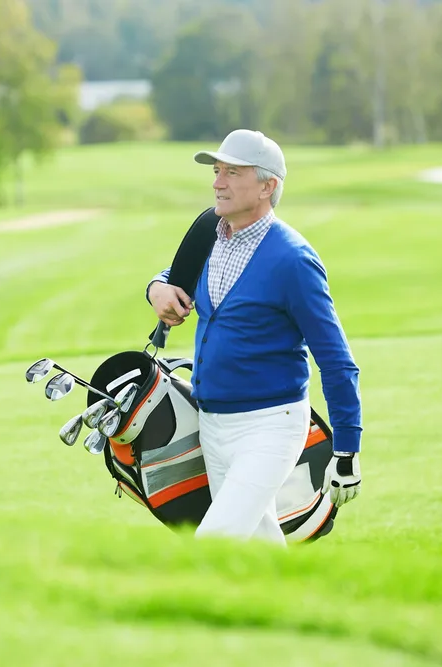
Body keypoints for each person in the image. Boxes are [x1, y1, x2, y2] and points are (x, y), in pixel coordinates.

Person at [145, 128, 363, 545]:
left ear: (268, 186)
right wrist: (157, 290)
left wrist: (347, 449)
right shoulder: (209, 233)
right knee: (260, 546)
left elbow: (336, 360)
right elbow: (172, 277)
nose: (217, 181)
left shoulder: (293, 260)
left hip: (269, 426)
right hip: (211, 423)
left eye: (232, 172)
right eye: (216, 170)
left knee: (215, 543)